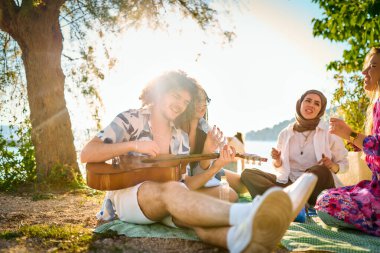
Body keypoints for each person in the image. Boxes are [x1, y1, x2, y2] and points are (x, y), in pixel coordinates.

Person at [80, 70, 311, 252]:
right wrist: (133, 145)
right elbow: (88, 153)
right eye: (175, 96)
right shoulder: (132, 119)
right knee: (171, 191)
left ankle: (241, 241)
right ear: (159, 92)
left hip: (167, 199)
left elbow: (185, 185)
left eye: (185, 101)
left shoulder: (178, 136)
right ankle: (253, 213)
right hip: (129, 199)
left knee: (194, 215)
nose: (180, 104)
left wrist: (218, 166)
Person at [241, 90, 349, 215]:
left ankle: (285, 201)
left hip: (314, 186)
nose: (311, 105)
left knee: (320, 170)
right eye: (308, 101)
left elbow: (344, 165)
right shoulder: (285, 133)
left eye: (317, 103)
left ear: (321, 109)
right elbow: (281, 169)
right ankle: (293, 203)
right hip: (290, 182)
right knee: (248, 173)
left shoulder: (328, 133)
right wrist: (277, 160)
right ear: (300, 104)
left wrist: (331, 165)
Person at [315, 48, 380, 237]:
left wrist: (349, 133)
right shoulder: (376, 104)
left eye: (373, 66)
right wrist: (359, 142)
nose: (364, 72)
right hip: (374, 188)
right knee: (326, 198)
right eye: (366, 66)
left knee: (327, 203)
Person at [175, 87, 246, 202]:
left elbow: (203, 171)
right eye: (198, 99)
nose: (202, 104)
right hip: (185, 182)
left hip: (204, 176)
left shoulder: (206, 129)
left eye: (205, 100)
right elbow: (186, 181)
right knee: (231, 195)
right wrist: (213, 162)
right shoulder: (177, 132)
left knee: (245, 185)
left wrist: (211, 151)